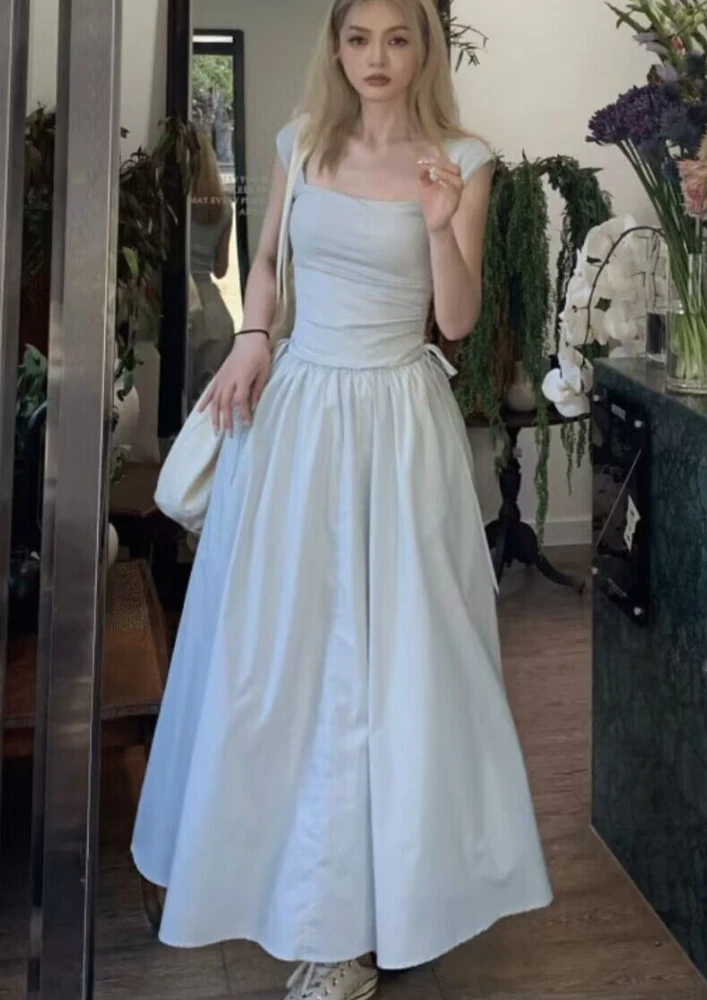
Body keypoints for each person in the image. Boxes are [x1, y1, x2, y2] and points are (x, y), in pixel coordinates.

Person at [131, 1, 552, 998]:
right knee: (286, 658)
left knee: (401, 667)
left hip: (400, 425)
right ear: (337, 48)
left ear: (424, 50)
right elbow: (265, 262)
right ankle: (299, 897)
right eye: (358, 39)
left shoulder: (463, 158)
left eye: (397, 39)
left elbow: (455, 320)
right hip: (301, 419)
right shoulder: (298, 142)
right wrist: (251, 336)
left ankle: (378, 913)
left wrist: (442, 227)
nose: (376, 57)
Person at [188, 128, 236, 402]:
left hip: (186, 307)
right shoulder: (224, 207)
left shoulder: (173, 203)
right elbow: (220, 270)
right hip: (216, 316)